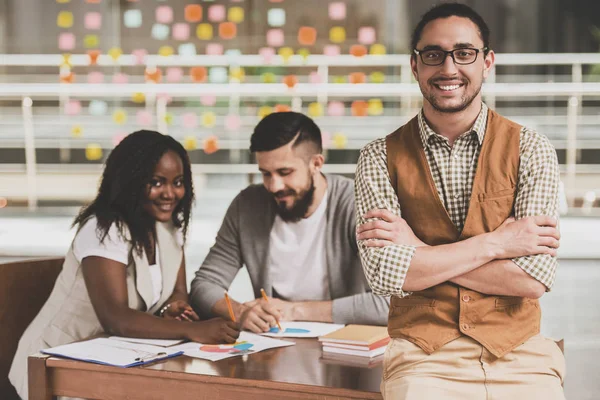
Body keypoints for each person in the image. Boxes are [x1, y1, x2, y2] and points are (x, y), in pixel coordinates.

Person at [354, 3, 565, 399]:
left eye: (464, 53)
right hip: (422, 357)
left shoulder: (532, 149)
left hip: (520, 353)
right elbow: (385, 275)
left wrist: (417, 251)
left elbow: (532, 280)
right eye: (433, 54)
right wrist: (497, 244)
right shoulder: (377, 156)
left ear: (487, 62)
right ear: (415, 65)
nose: (448, 69)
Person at [9, 130, 239, 399]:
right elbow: (115, 317)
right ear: (130, 181)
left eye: (178, 182)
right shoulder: (104, 230)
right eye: (156, 182)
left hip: (118, 360)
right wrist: (194, 330)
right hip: (56, 364)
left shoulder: (169, 227)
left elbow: (178, 292)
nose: (170, 193)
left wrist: (175, 307)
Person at [190, 112, 389, 333]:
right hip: (272, 348)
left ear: (316, 163)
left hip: (346, 350)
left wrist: (294, 311)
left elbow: (392, 301)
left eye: (285, 172)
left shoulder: (358, 205)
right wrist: (239, 312)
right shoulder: (247, 206)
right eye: (266, 174)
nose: (274, 186)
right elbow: (204, 285)